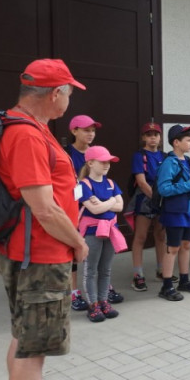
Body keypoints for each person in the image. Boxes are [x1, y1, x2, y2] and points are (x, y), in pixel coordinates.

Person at [0, 58, 85, 380]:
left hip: (31, 251)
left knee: (25, 338)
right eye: (69, 92)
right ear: (55, 93)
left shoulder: (33, 127)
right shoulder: (27, 135)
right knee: (33, 349)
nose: (69, 100)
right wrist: (78, 243)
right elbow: (44, 208)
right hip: (40, 256)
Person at [156, 124, 190, 301]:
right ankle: (166, 285)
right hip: (174, 212)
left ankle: (184, 280)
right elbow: (163, 189)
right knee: (172, 248)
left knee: (186, 246)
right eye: (188, 140)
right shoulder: (169, 163)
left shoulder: (188, 161)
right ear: (176, 142)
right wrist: (188, 185)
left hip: (188, 211)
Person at [77, 146, 126, 322]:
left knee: (105, 269)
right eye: (103, 161)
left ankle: (103, 301)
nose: (107, 165)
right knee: (91, 270)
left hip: (110, 230)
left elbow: (120, 206)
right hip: (92, 232)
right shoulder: (83, 185)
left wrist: (106, 202)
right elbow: (94, 210)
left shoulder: (111, 183)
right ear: (90, 163)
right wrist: (112, 201)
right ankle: (93, 305)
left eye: (108, 162)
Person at [65, 114, 102, 311]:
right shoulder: (65, 153)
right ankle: (73, 292)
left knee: (97, 249)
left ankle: (102, 289)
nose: (91, 134)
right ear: (74, 131)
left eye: (93, 130)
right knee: (73, 250)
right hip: (72, 208)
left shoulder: (97, 153)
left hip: (95, 208)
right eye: (86, 130)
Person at [130, 121, 166, 292]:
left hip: (162, 199)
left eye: (156, 134)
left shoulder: (165, 156)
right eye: (149, 135)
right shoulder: (139, 156)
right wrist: (157, 198)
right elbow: (141, 182)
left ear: (160, 138)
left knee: (161, 235)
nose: (153, 138)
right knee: (141, 237)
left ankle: (161, 270)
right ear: (143, 138)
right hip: (145, 200)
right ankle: (138, 275)